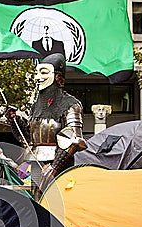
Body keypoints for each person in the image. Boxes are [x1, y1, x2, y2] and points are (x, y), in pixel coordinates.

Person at [6, 53, 86, 199]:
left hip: (56, 166)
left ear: (57, 75)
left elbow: (75, 141)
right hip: (31, 162)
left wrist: (54, 167)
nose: (38, 77)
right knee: (22, 200)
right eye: (37, 73)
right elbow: (28, 138)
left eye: (43, 72)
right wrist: (15, 120)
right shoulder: (36, 106)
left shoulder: (71, 104)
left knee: (54, 205)